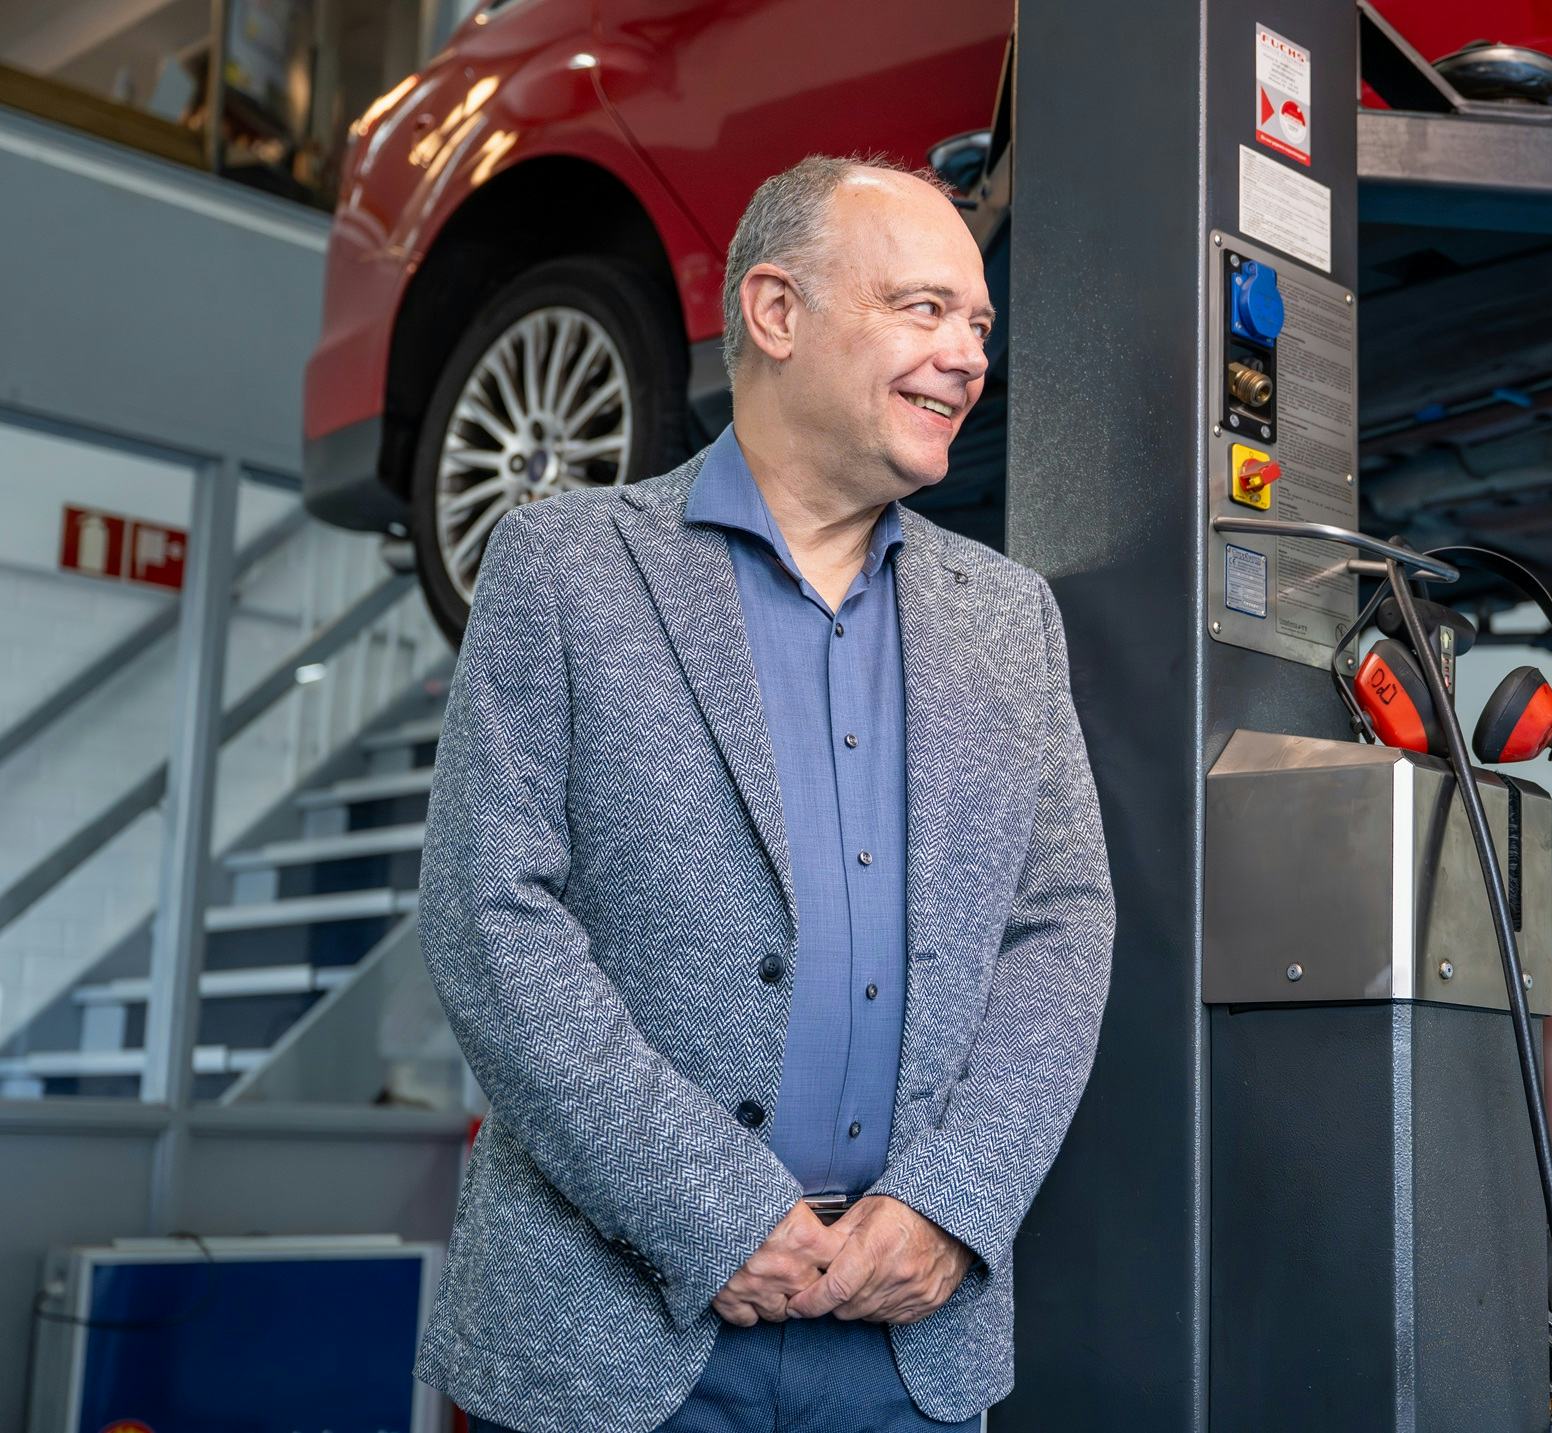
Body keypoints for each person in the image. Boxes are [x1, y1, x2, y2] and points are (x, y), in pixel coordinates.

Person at [413, 154, 1115, 1433]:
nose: (967, 356)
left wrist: (956, 1200)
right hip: (614, 1332)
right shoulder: (565, 568)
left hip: (908, 1337)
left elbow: (1060, 925)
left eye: (976, 323)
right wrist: (707, 1207)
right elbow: (488, 915)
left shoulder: (1009, 619)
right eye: (922, 308)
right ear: (777, 312)